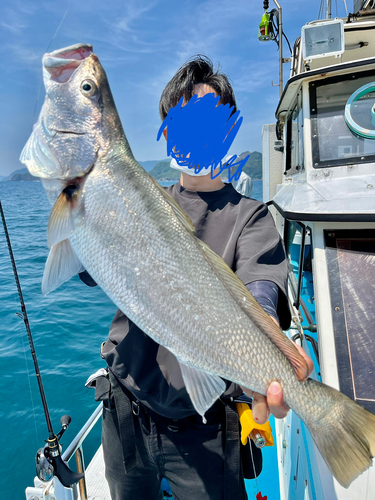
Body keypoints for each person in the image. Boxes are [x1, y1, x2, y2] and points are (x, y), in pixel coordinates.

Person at [81, 55, 313, 500]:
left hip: (206, 427)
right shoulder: (141, 203)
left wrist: (264, 358)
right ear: (167, 132)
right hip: (127, 410)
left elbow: (260, 290)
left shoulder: (252, 218)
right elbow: (92, 270)